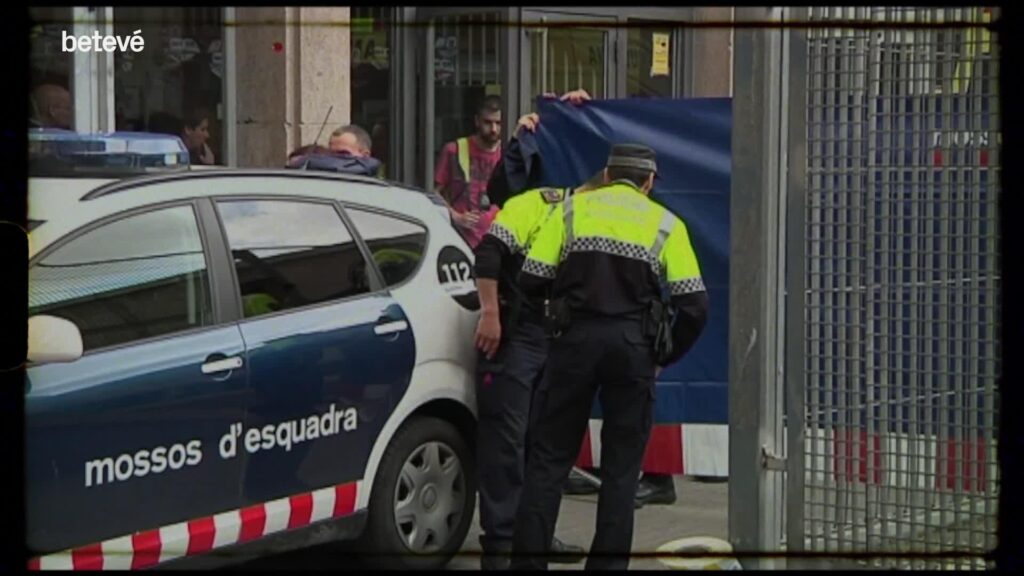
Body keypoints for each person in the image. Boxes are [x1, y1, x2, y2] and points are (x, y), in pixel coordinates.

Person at [509, 144, 710, 570]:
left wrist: (557, 317)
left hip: (573, 344)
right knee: (621, 471)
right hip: (633, 349)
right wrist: (664, 353)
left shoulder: (571, 212)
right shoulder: (666, 223)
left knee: (547, 462)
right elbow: (695, 305)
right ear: (649, 182)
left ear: (605, 175)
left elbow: (529, 279)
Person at [472, 89, 593, 571]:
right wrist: (490, 315)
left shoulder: (586, 206)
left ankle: (534, 537)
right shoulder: (528, 204)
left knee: (545, 445)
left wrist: (578, 113)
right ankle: (500, 546)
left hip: (558, 337)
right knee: (508, 442)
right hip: (517, 331)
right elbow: (489, 249)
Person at [435, 95, 504, 248]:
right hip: (459, 240)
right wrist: (455, 216)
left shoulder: (508, 154)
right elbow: (433, 193)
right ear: (477, 121)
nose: (493, 129)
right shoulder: (454, 150)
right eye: (488, 122)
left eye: (498, 123)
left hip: (497, 241)